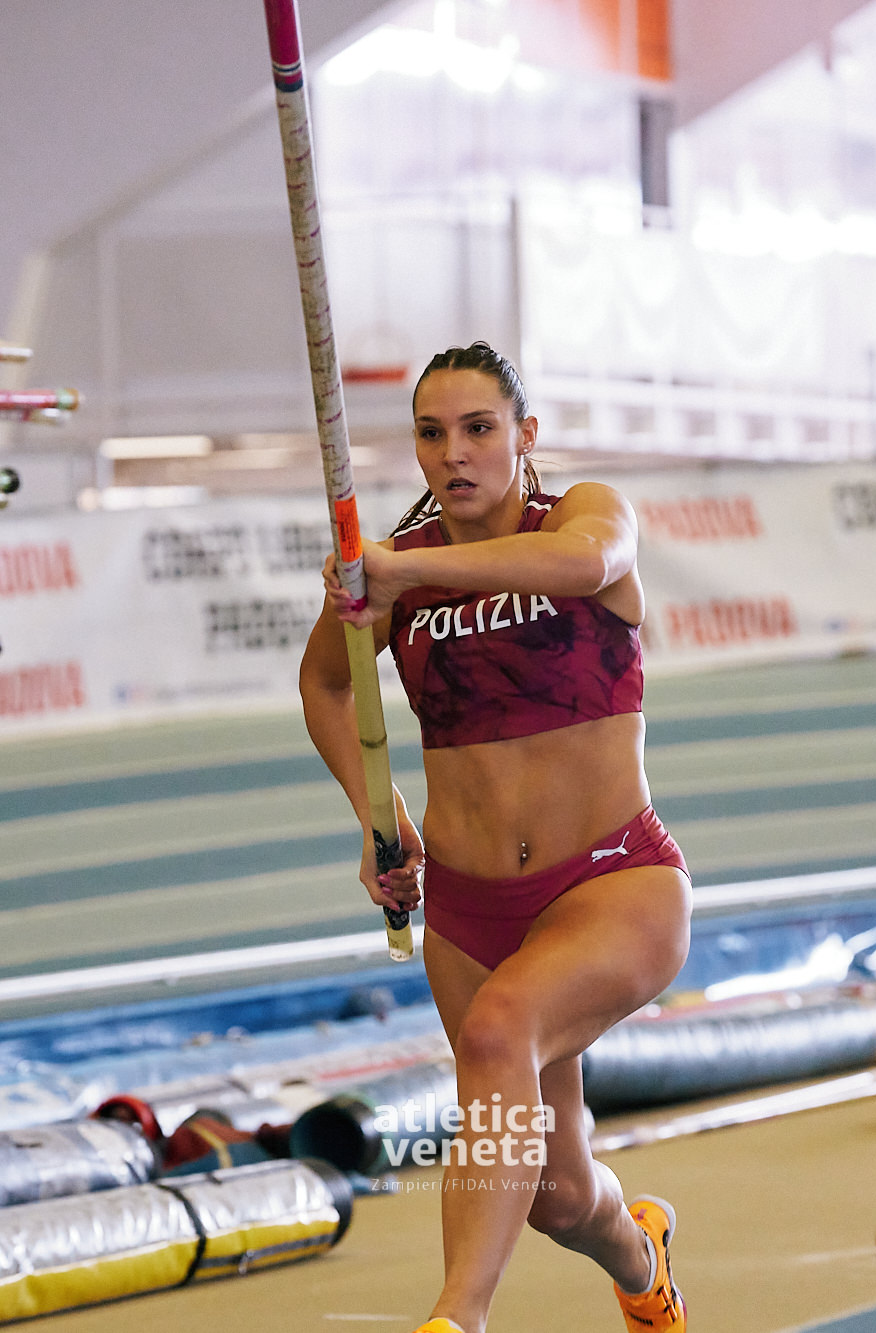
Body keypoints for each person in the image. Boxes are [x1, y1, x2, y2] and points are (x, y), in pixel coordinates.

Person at [299, 342, 693, 1333]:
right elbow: (327, 683)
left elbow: (587, 565)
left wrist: (400, 569)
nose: (454, 453)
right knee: (558, 1195)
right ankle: (641, 1258)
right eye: (431, 433)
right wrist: (377, 812)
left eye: (478, 429)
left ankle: (456, 1317)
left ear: (524, 436)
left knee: (496, 1031)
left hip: (612, 882)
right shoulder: (393, 569)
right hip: (470, 914)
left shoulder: (578, 516)